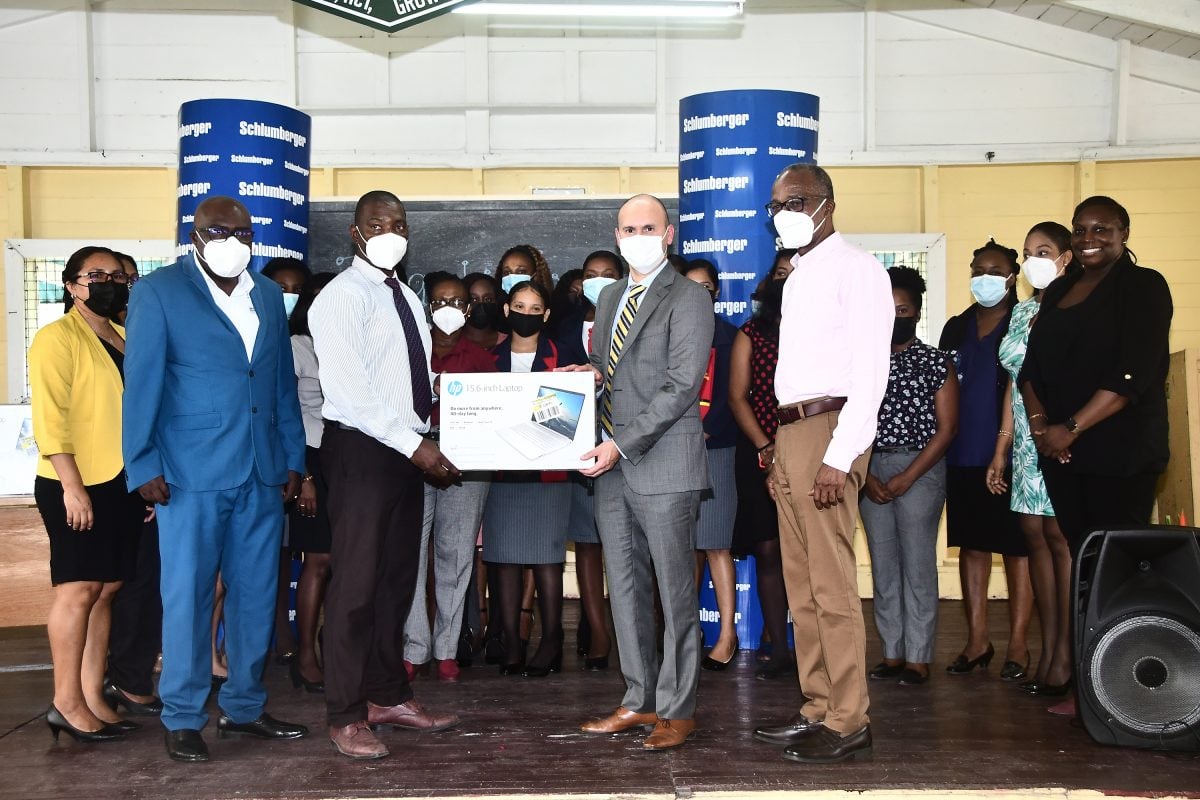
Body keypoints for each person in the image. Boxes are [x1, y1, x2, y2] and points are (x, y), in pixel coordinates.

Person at [122, 196, 309, 763]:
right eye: (219, 230)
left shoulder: (268, 295)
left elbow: (279, 383)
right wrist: (143, 463)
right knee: (188, 595)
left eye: (243, 232)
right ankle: (182, 716)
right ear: (195, 234)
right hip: (189, 471)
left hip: (261, 469)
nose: (233, 239)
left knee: (256, 595)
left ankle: (246, 708)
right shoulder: (158, 292)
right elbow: (143, 382)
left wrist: (294, 457)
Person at [308, 190, 461, 760]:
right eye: (378, 223)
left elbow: (409, 381)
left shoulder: (407, 296)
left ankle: (386, 695)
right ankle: (345, 714)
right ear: (355, 233)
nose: (390, 231)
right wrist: (414, 445)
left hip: (405, 450)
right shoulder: (339, 298)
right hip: (363, 452)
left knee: (396, 581)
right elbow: (350, 393)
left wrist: (461, 403)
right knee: (354, 587)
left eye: (398, 223)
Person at [751, 163, 891, 764]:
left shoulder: (859, 269)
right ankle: (817, 705)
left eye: (795, 200)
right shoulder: (799, 273)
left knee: (832, 585)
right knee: (802, 585)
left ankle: (849, 716)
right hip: (790, 431)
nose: (782, 212)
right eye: (776, 203)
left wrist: (839, 458)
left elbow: (871, 374)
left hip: (829, 431)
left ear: (826, 204)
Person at [1019, 196, 1172, 715]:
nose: (1090, 237)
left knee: (1113, 572)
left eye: (1102, 228)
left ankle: (1114, 692)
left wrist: (1072, 428)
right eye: (1081, 228)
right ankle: (1085, 684)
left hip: (1120, 452)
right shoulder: (1058, 289)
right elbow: (1030, 370)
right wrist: (1045, 429)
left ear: (1124, 232)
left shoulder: (1144, 286)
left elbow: (1133, 373)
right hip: (1062, 454)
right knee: (1082, 567)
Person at [574, 193, 713, 751]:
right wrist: (587, 379)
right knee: (625, 589)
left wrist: (619, 445)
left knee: (676, 594)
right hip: (610, 468)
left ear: (670, 233)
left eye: (648, 227)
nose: (638, 235)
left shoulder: (689, 297)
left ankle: (678, 711)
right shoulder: (609, 297)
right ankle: (638, 700)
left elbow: (681, 387)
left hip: (662, 464)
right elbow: (616, 372)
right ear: (616, 234)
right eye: (628, 228)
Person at [31, 245, 142, 743]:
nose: (109, 282)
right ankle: (65, 702)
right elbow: (51, 419)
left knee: (106, 590)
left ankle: (94, 694)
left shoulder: (121, 337)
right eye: (96, 274)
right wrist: (73, 487)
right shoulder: (56, 338)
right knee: (78, 590)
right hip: (72, 481)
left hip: (118, 481)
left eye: (117, 275)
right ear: (72, 285)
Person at [986, 222, 1075, 704]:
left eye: (1045, 251)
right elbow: (1014, 385)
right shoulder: (1021, 313)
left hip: (1059, 436)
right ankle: (1048, 650)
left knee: (1061, 539)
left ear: (1065, 257)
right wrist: (1001, 448)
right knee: (1033, 536)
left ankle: (1067, 654)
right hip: (1023, 440)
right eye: (1029, 252)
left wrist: (1062, 431)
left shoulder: (1077, 308)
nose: (1035, 259)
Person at [859, 266, 959, 687]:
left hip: (922, 467)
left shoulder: (936, 360)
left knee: (917, 564)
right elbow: (849, 421)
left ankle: (919, 656)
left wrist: (908, 476)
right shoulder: (860, 363)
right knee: (883, 566)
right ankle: (893, 652)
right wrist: (864, 476)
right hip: (869, 468)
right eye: (889, 308)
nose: (896, 315)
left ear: (917, 312)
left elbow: (947, 428)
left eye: (904, 308)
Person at [938, 240, 1033, 682]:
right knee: (972, 546)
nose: (985, 277)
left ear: (1013, 276)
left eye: (995, 270)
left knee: (1017, 550)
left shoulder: (1026, 321)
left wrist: (1003, 449)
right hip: (961, 454)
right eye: (978, 269)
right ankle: (977, 640)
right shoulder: (956, 327)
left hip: (1010, 456)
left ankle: (1017, 643)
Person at [402, 271, 495, 683]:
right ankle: (414, 647)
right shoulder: (406, 351)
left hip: (468, 463)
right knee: (410, 554)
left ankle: (446, 649)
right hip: (412, 457)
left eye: (458, 302)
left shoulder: (481, 358)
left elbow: (496, 415)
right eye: (440, 302)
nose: (449, 309)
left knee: (456, 556)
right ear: (428, 306)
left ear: (469, 308)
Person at [483, 278, 571, 677]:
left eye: (535, 309)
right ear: (507, 309)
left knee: (548, 559)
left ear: (547, 315)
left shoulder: (562, 354)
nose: (527, 315)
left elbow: (574, 410)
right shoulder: (489, 357)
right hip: (501, 471)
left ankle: (552, 640)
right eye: (520, 306)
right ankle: (511, 643)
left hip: (549, 470)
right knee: (503, 559)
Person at [557, 250, 626, 669]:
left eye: (608, 274)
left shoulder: (632, 319)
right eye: (590, 275)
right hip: (579, 449)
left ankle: (626, 629)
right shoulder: (563, 327)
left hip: (627, 447)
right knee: (586, 541)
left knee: (623, 544)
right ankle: (598, 630)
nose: (598, 281)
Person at [103, 249, 164, 718]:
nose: (122, 284)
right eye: (110, 277)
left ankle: (132, 673)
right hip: (107, 480)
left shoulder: (133, 333)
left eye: (127, 276)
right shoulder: (77, 336)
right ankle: (118, 677)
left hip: (141, 481)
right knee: (110, 588)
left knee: (143, 584)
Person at [729, 251, 795, 681]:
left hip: (812, 452)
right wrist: (766, 446)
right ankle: (777, 644)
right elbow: (737, 396)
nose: (788, 280)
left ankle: (811, 643)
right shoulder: (752, 332)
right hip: (758, 451)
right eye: (781, 274)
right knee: (769, 549)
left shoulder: (826, 331)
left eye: (796, 273)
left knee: (803, 553)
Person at [680, 259, 742, 672]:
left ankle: (726, 635)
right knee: (682, 548)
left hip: (717, 450)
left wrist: (708, 430)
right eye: (691, 287)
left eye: (706, 287)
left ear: (717, 292)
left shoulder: (733, 338)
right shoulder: (670, 334)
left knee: (717, 544)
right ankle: (686, 634)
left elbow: (737, 397)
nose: (699, 293)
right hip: (674, 453)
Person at [280, 270, 337, 693]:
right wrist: (307, 477)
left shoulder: (350, 345)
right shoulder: (296, 346)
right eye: (313, 297)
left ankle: (334, 644)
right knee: (317, 561)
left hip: (349, 460)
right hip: (311, 460)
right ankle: (305, 656)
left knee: (344, 563)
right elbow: (289, 415)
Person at [262, 256, 312, 666]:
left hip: (301, 463)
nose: (289, 299)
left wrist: (304, 470)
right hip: (262, 464)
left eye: (297, 291)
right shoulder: (254, 334)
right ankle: (277, 635)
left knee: (306, 555)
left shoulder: (308, 343)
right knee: (269, 558)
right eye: (281, 289)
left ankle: (292, 640)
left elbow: (296, 411)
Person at [463, 272, 505, 352]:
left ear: (496, 302)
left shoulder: (508, 342)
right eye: (474, 299)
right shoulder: (452, 342)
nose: (481, 305)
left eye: (488, 299)